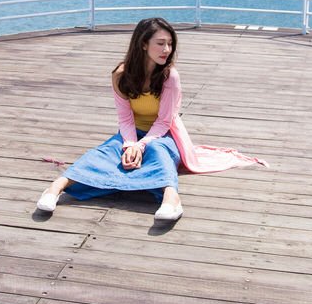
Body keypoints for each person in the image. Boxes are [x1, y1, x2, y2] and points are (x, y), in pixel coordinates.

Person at [36, 17, 267, 222]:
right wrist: (129, 144)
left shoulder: (169, 76)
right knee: (104, 153)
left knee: (157, 152)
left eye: (170, 44)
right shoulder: (120, 75)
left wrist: (141, 145)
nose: (166, 49)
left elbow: (165, 121)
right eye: (160, 43)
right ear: (143, 44)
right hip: (131, 132)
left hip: (165, 134)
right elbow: (125, 119)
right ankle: (54, 190)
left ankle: (171, 199)